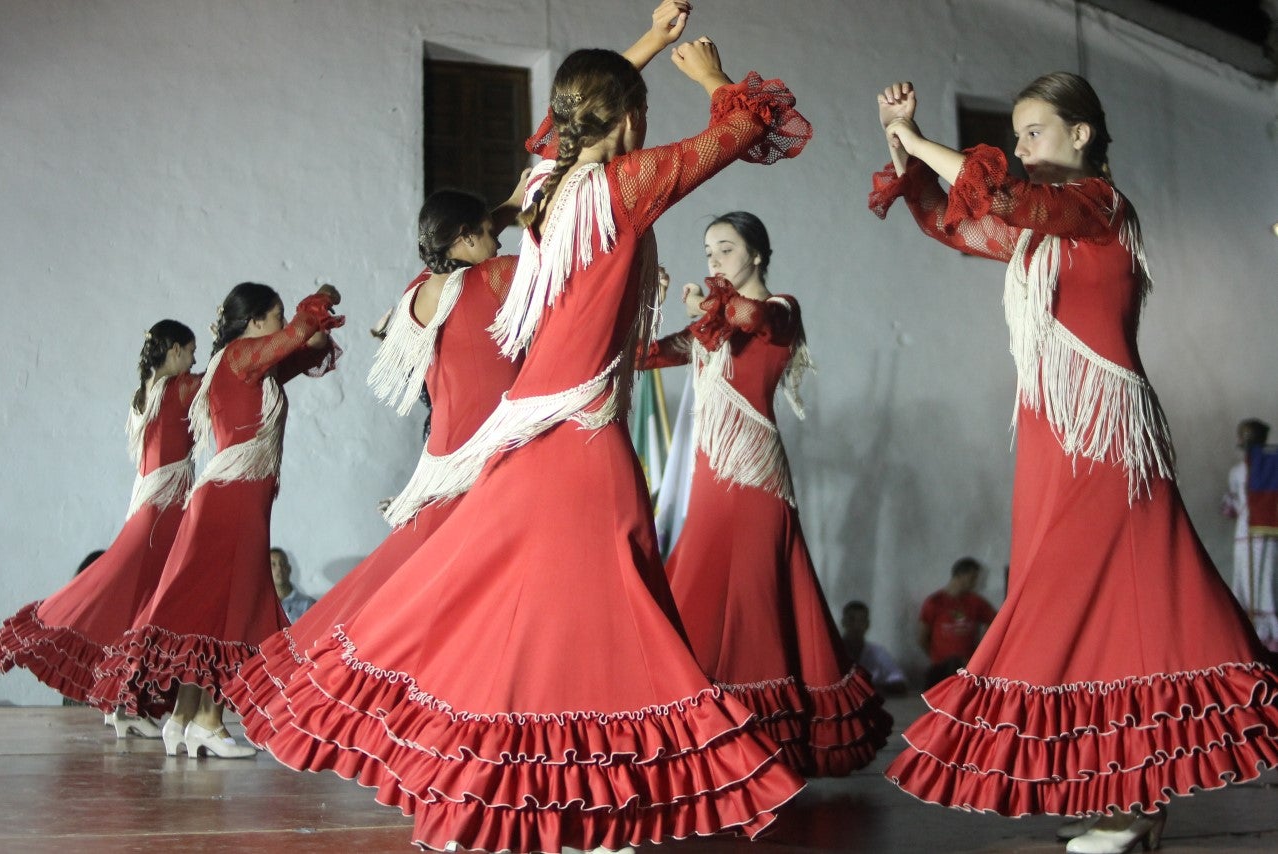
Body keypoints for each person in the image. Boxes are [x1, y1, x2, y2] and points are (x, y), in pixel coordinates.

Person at [234, 6, 816, 851]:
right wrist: (709, 75)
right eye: (639, 106)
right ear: (630, 118)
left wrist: (648, 43)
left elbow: (560, 125)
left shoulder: (548, 187)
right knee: (597, 610)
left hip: (539, 426)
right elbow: (744, 126)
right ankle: (567, 803)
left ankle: (515, 803)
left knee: (527, 612)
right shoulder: (621, 186)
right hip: (579, 431)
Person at [870, 75, 1278, 853]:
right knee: (1093, 612)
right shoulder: (1039, 234)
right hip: (1054, 433)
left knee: (1099, 605)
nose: (1020, 148)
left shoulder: (1100, 208)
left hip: (1105, 439)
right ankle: (1123, 797)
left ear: (1083, 134)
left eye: (1033, 133)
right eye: (1016, 135)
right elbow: (953, 226)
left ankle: (1128, 804)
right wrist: (905, 146)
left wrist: (926, 144)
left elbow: (1013, 200)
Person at [227, 184, 527, 743]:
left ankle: (432, 719)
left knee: (413, 599)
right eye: (487, 232)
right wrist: (524, 207)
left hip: (440, 463)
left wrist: (496, 214)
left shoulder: (417, 290)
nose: (496, 240)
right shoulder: (496, 277)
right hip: (488, 461)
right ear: (464, 239)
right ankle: (462, 721)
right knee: (469, 604)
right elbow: (552, 259)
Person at [639, 211, 891, 775]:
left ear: (756, 254)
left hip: (754, 478)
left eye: (725, 249)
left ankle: (758, 747)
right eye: (707, 251)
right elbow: (644, 355)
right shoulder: (713, 325)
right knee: (693, 589)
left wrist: (707, 307)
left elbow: (756, 319)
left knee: (755, 605)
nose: (713, 260)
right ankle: (699, 735)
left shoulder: (781, 310)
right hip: (711, 476)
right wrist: (649, 300)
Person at [91, 282, 342, 761]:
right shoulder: (241, 355)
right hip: (234, 498)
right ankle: (208, 721)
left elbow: (306, 350)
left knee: (213, 611)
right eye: (276, 314)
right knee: (231, 608)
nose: (282, 322)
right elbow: (297, 336)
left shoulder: (252, 368)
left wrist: (316, 326)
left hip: (237, 497)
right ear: (253, 322)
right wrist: (316, 304)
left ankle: (185, 721)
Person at [0, 321, 200, 737]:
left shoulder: (143, 392)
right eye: (191, 351)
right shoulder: (178, 388)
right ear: (175, 350)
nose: (194, 359)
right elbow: (217, 381)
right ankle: (123, 700)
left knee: (136, 605)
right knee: (139, 601)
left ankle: (121, 704)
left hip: (151, 506)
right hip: (162, 511)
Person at [1223, 418, 1278, 650]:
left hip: (1264, 532)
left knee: (1266, 584)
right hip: (1249, 534)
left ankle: (1269, 636)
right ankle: (1252, 637)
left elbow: (1229, 508)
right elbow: (1231, 508)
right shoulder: (1238, 472)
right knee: (1245, 582)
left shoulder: (1271, 468)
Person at [916, 557, 996, 688]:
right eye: (972, 578)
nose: (975, 583)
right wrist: (937, 658)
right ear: (960, 575)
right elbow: (922, 637)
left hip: (968, 669)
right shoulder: (935, 602)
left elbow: (995, 623)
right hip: (941, 670)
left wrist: (981, 650)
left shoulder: (976, 602)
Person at [841, 601, 907, 695]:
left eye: (861, 621)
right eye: (852, 620)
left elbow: (899, 681)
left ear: (867, 624)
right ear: (843, 622)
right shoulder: (831, 652)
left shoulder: (878, 653)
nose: (856, 626)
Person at [269, 549, 316, 624]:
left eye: (282, 564)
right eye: (273, 565)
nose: (279, 568)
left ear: (289, 569)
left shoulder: (308, 605)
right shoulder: (262, 607)